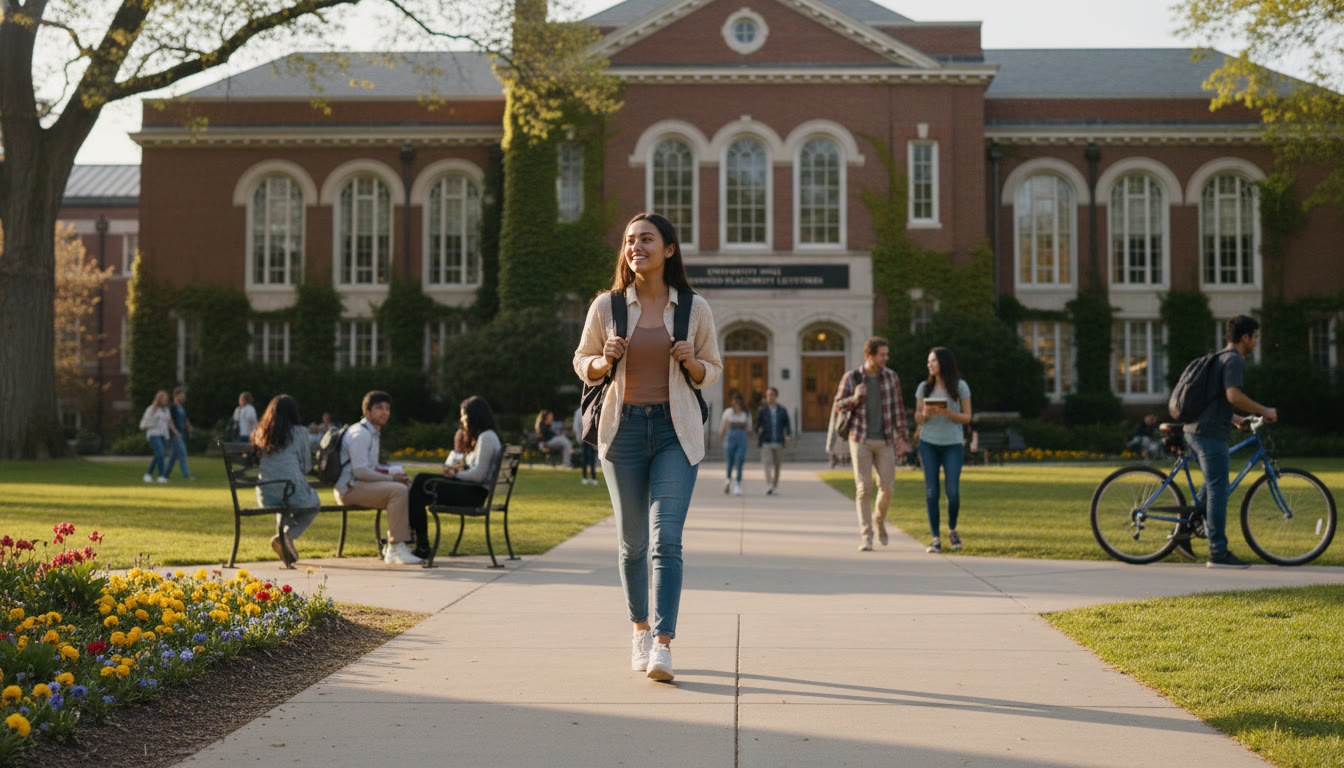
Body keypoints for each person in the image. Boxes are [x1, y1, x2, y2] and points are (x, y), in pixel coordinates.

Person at [573, 211, 722, 682]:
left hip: (676, 432)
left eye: (647, 239)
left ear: (669, 249)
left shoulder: (695, 308)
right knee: (632, 543)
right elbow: (581, 361)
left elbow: (713, 369)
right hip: (624, 431)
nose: (636, 246)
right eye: (630, 240)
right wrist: (602, 360)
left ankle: (662, 643)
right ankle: (638, 629)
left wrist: (693, 363)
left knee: (666, 540)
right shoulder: (607, 306)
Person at [1179, 314, 1278, 569]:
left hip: (1199, 428)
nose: (1256, 343)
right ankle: (1218, 552)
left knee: (1212, 485)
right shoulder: (1233, 359)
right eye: (1255, 337)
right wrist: (1264, 410)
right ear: (1245, 337)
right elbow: (1233, 394)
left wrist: (1235, 419)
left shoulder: (1219, 357)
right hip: (1208, 433)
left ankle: (1182, 533)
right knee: (1218, 490)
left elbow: (1216, 400)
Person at [833, 337, 911, 551]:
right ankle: (866, 536)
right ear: (869, 355)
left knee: (887, 487)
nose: (886, 358)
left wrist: (902, 437)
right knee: (863, 489)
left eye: (887, 354)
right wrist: (855, 398)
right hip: (860, 439)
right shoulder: (852, 377)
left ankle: (879, 519)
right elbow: (838, 405)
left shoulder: (891, 377)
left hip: (885, 439)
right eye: (882, 355)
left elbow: (897, 408)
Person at [408, 396, 503, 561]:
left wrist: (455, 474)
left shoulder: (486, 437)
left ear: (472, 416)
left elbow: (479, 475)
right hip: (473, 491)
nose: (461, 420)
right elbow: (478, 471)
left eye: (463, 415)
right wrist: (459, 469)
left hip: (473, 495)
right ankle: (418, 542)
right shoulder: (488, 436)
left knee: (420, 481)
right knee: (420, 487)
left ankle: (418, 543)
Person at [333, 390, 422, 565]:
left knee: (406, 485)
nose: (385, 412)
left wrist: (396, 473)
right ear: (367, 412)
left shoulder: (372, 432)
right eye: (379, 408)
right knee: (398, 490)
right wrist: (392, 480)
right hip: (349, 489)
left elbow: (371, 467)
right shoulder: (361, 433)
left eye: (387, 408)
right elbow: (360, 471)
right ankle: (395, 547)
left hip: (358, 485)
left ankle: (409, 542)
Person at [913, 347, 972, 554]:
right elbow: (918, 418)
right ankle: (935, 538)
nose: (929, 364)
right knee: (931, 492)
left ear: (944, 363)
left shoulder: (960, 386)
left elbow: (967, 417)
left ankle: (952, 529)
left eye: (933, 361)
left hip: (953, 444)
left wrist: (947, 412)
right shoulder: (924, 387)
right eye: (928, 361)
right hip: (928, 443)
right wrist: (926, 414)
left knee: (952, 492)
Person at [251, 394, 319, 568]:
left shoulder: (262, 433)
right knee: (314, 504)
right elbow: (305, 467)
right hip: (291, 490)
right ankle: (286, 537)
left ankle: (284, 541)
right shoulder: (300, 432)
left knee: (286, 500)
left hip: (266, 494)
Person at [755, 387, 791, 495]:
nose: (770, 397)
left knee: (777, 466)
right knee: (767, 464)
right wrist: (758, 430)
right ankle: (769, 485)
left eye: (772, 395)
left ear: (775, 396)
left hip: (779, 441)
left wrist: (788, 435)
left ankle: (774, 486)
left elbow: (787, 424)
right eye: (768, 395)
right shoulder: (762, 410)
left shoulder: (782, 410)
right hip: (766, 441)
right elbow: (757, 426)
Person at [138, 390, 174, 484]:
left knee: (159, 455)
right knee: (160, 453)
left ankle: (148, 474)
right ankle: (161, 476)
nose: (165, 400)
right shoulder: (151, 408)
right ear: (159, 399)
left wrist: (174, 431)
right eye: (163, 398)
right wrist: (155, 418)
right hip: (153, 434)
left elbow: (169, 422)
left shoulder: (166, 410)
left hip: (163, 435)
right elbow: (146, 420)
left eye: (166, 398)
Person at [719, 392, 750, 496]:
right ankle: (728, 480)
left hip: (741, 440)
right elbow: (723, 428)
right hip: (730, 439)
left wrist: (744, 426)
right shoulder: (728, 412)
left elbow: (749, 429)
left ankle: (738, 483)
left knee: (740, 461)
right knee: (730, 461)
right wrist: (722, 435)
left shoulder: (745, 414)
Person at [164, 386, 195, 480]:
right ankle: (186, 475)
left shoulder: (182, 408)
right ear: (176, 395)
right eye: (182, 395)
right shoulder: (173, 407)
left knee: (174, 456)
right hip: (175, 434)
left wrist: (189, 427)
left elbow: (185, 419)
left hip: (181, 433)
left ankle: (165, 474)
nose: (184, 397)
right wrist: (174, 431)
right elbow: (169, 420)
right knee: (182, 452)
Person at [574, 404, 599, 485]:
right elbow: (577, 426)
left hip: (590, 438)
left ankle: (592, 477)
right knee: (586, 457)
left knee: (591, 457)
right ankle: (586, 477)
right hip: (585, 438)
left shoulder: (592, 408)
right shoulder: (579, 411)